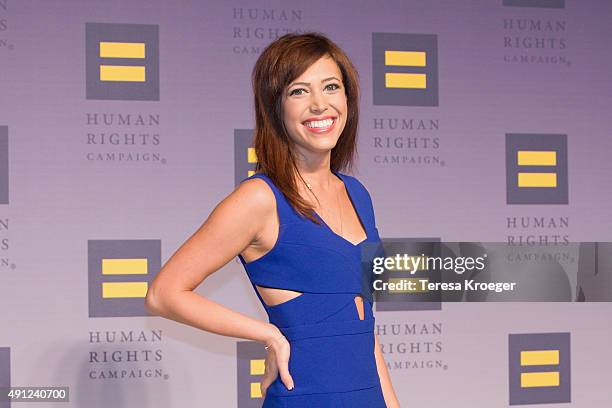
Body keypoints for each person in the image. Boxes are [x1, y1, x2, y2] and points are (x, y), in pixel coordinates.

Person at [145, 32, 400, 407]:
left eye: (331, 87)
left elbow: (364, 329)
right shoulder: (259, 198)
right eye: (299, 91)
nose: (319, 104)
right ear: (274, 107)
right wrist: (269, 334)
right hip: (306, 396)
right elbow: (163, 294)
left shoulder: (357, 194)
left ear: (348, 98)